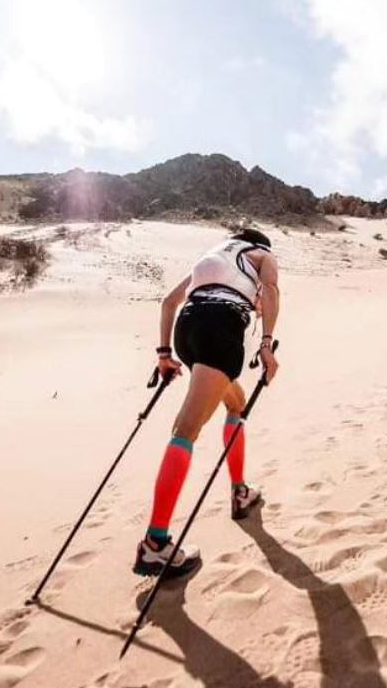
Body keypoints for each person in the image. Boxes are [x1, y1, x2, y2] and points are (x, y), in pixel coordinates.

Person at [134, 228, 280, 577]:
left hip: (187, 331)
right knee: (186, 429)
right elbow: (271, 291)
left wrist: (164, 354)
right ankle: (155, 545)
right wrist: (267, 343)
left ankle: (240, 491)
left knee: (236, 402)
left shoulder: (214, 256)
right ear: (259, 243)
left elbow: (170, 302)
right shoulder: (262, 255)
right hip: (222, 328)